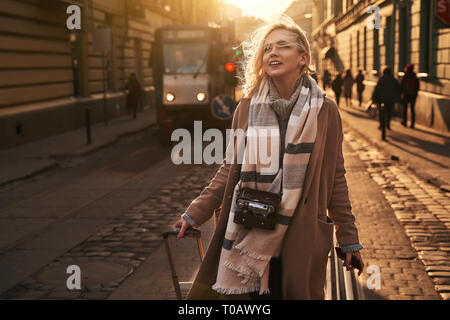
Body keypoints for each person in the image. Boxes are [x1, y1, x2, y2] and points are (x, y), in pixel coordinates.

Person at [173, 15, 364, 300]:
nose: (273, 52)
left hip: (300, 232)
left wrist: (348, 239)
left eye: (283, 46)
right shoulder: (247, 108)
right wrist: (195, 212)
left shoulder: (325, 111)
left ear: (303, 58)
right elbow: (229, 170)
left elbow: (335, 178)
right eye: (267, 48)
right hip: (251, 227)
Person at [372, 66, 401, 130]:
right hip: (391, 99)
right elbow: (397, 89)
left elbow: (377, 89)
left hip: (381, 98)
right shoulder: (393, 79)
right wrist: (397, 98)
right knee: (389, 112)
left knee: (381, 112)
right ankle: (388, 125)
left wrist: (374, 98)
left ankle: (381, 125)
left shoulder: (381, 79)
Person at [400, 64, 419, 129]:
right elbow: (417, 87)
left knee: (405, 109)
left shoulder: (405, 77)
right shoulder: (415, 77)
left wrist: (401, 93)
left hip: (406, 95)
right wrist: (415, 94)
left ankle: (405, 122)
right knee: (412, 109)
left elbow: (401, 86)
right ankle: (412, 124)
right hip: (413, 95)